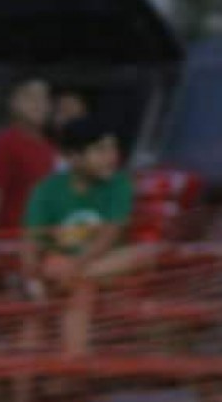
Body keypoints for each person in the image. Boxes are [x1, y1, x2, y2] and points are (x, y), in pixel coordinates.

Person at [21, 117, 146, 360]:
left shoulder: (119, 185)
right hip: (67, 272)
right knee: (72, 286)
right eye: (100, 150)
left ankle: (70, 371)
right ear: (73, 157)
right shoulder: (46, 190)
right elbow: (31, 241)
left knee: (144, 254)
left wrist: (75, 268)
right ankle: (73, 366)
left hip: (101, 268)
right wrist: (31, 277)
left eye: (113, 148)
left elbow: (111, 234)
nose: (111, 157)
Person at [0, 77, 57, 238]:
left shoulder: (50, 147)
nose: (39, 104)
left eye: (44, 98)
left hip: (43, 237)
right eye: (30, 97)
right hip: (12, 238)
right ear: (13, 102)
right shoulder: (6, 143)